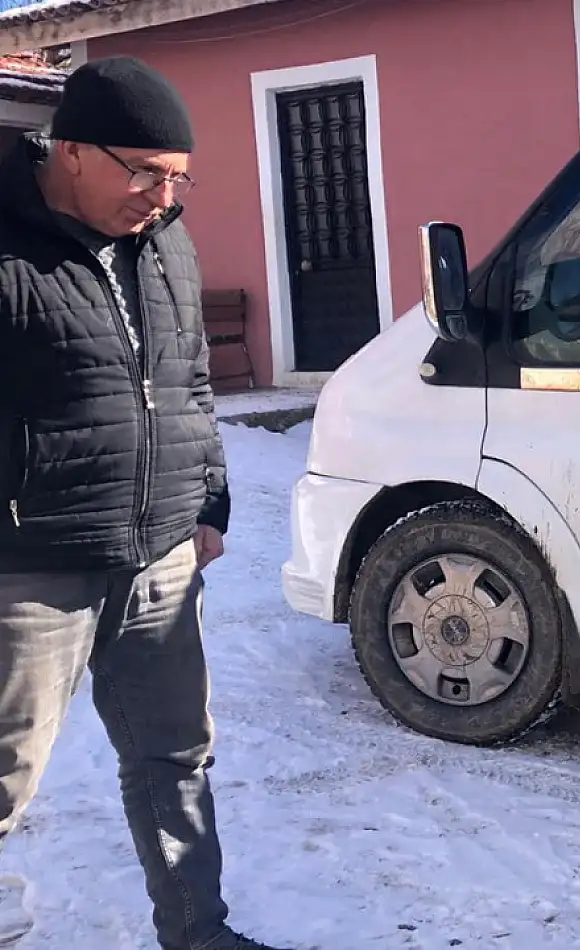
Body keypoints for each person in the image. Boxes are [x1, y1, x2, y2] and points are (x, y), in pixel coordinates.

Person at [0, 58, 288, 950]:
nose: (163, 195)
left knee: (175, 762)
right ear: (73, 150)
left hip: (160, 554)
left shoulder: (165, 242)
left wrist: (208, 501)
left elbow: (190, 378)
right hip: (31, 567)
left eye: (177, 175)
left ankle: (200, 935)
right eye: (145, 172)